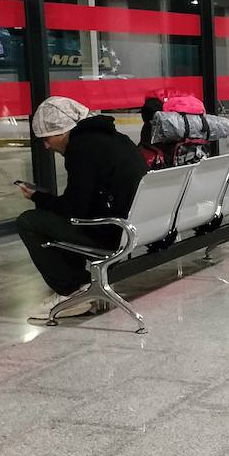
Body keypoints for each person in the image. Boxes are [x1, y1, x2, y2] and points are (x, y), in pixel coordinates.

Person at [16, 97, 147, 322]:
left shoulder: (81, 149)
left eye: (46, 139)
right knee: (57, 219)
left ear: (62, 131)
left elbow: (74, 209)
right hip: (140, 225)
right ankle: (81, 283)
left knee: (29, 221)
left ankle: (72, 292)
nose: (47, 146)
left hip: (116, 232)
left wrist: (38, 197)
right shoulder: (116, 138)